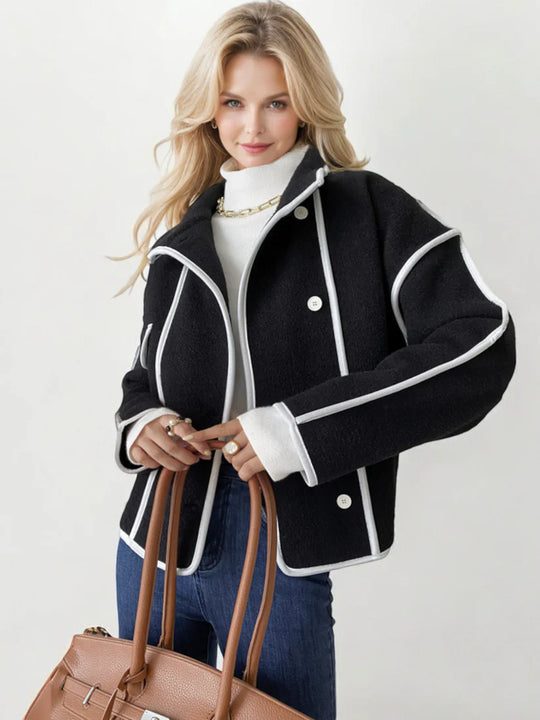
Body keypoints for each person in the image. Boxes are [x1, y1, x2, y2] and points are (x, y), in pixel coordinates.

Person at [111, 2, 517, 719]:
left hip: (280, 535)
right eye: (232, 102)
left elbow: (480, 344)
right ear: (209, 108)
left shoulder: (367, 209)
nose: (252, 126)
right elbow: (146, 372)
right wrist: (141, 425)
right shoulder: (184, 233)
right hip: (159, 533)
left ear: (307, 103)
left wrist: (297, 430)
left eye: (277, 102)